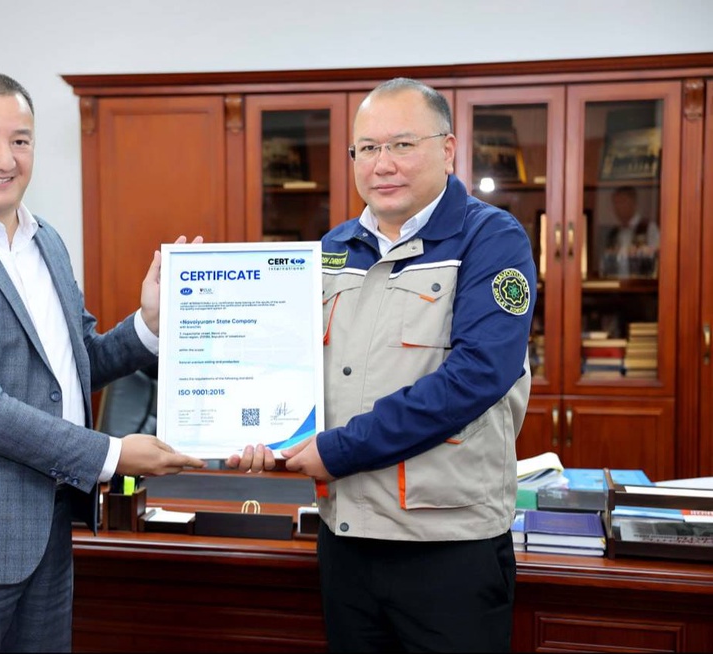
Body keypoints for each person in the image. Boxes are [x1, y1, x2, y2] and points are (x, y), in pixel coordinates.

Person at [0, 71, 205, 653]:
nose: (5, 159)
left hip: (46, 529)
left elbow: (75, 364)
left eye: (20, 140)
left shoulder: (44, 239)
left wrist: (150, 323)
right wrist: (112, 455)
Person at [229, 78, 535, 652]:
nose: (382, 164)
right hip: (346, 540)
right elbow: (279, 363)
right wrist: (258, 431)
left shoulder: (491, 239)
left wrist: (338, 450)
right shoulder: (331, 249)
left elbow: (477, 376)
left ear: (447, 149)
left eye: (402, 145)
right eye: (367, 148)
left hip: (447, 546)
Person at [600, 185, 659, 278]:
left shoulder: (649, 228)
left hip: (642, 285)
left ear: (633, 203)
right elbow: (605, 265)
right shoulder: (613, 233)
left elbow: (656, 260)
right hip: (616, 284)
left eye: (622, 202)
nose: (618, 208)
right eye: (615, 203)